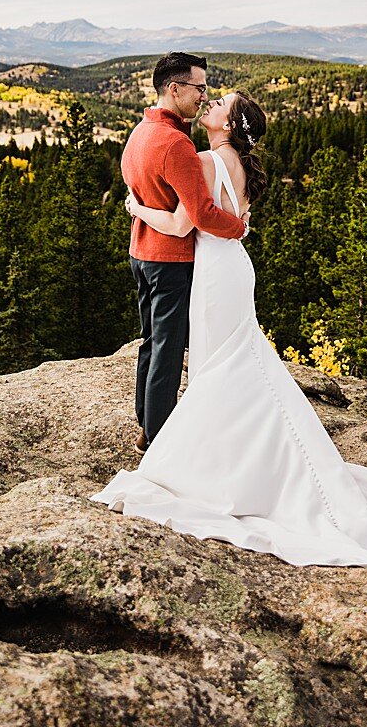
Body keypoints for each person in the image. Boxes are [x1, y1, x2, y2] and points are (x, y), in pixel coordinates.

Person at [94, 91, 367, 611]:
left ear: (231, 123)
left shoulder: (203, 159)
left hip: (215, 276)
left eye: (219, 102)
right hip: (231, 268)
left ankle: (216, 463)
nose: (211, 103)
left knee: (219, 367)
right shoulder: (236, 161)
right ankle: (242, 457)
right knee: (235, 361)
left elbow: (182, 224)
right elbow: (232, 220)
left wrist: (136, 207)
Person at [122, 52, 247, 451]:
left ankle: (146, 420)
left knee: (150, 340)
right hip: (169, 259)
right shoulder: (176, 143)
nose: (203, 96)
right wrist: (239, 226)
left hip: (141, 252)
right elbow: (202, 214)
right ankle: (158, 435)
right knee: (168, 347)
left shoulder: (140, 132)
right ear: (174, 89)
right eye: (199, 88)